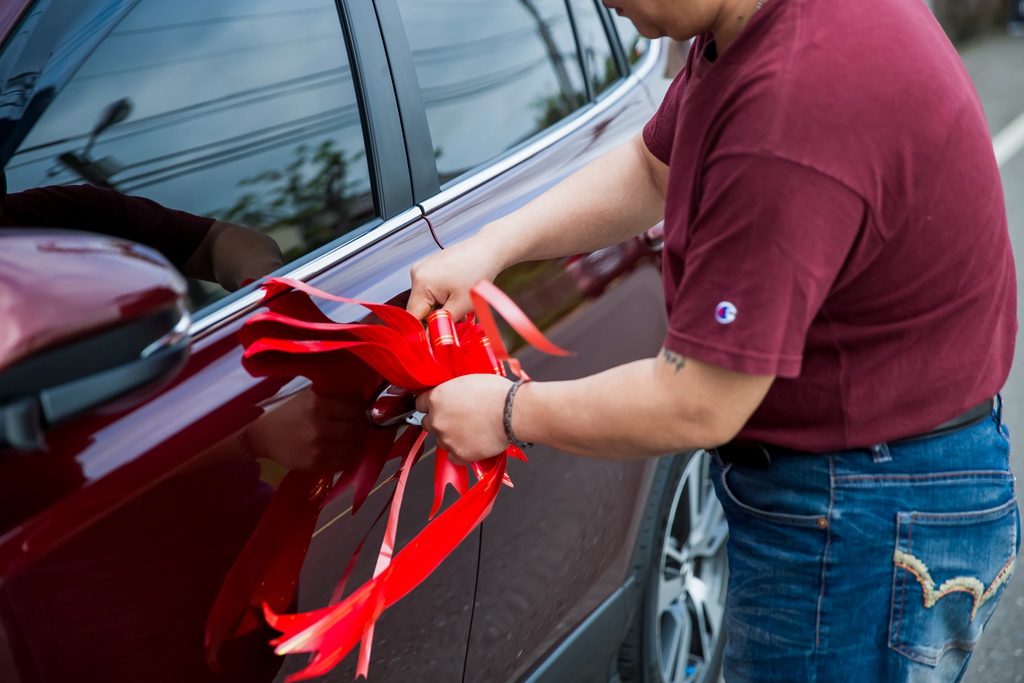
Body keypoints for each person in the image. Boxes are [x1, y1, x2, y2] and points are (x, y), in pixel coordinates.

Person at [406, 0, 1019, 680]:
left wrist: (506, 412)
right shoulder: (747, 24)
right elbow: (652, 167)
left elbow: (697, 401)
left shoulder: (791, 105)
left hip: (865, 520)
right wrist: (492, 248)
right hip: (881, 480)